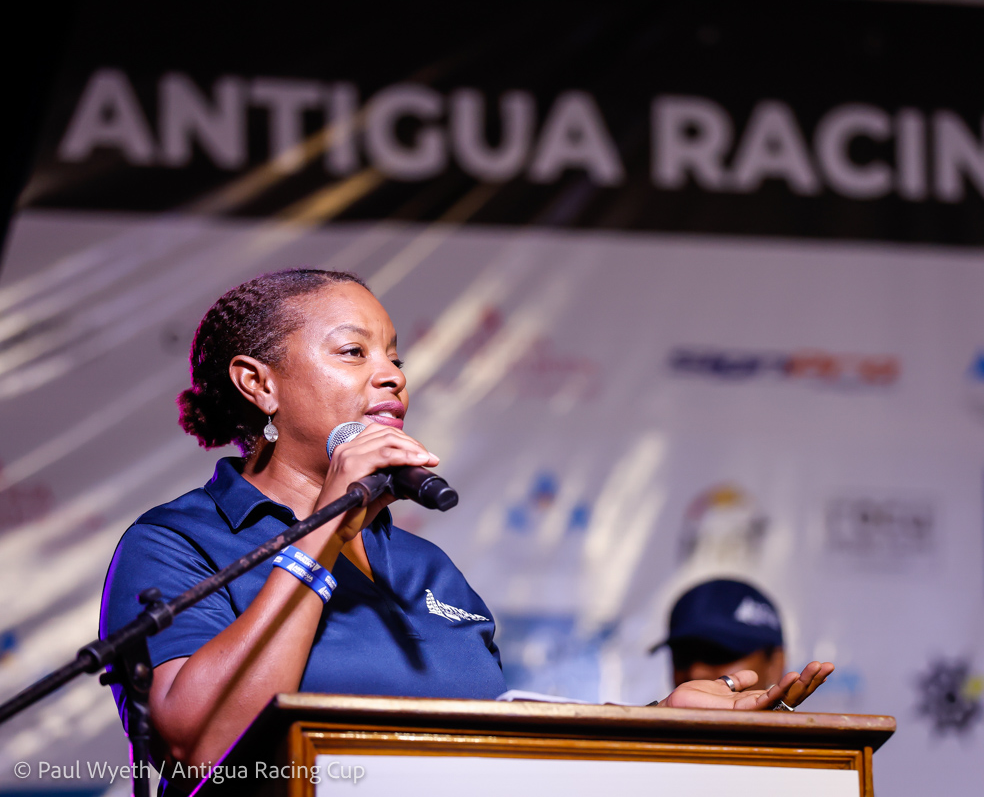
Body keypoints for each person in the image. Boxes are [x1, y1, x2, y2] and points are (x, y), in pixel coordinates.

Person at [100, 269, 830, 791]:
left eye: (395, 356)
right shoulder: (180, 542)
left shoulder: (428, 568)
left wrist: (656, 722)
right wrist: (325, 529)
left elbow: (491, 757)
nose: (391, 375)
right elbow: (199, 746)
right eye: (354, 352)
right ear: (259, 383)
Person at [655, 580, 832, 694]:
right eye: (682, 657)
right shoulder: (645, 738)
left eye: (718, 654)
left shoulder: (819, 743)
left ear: (774, 664)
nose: (696, 672)